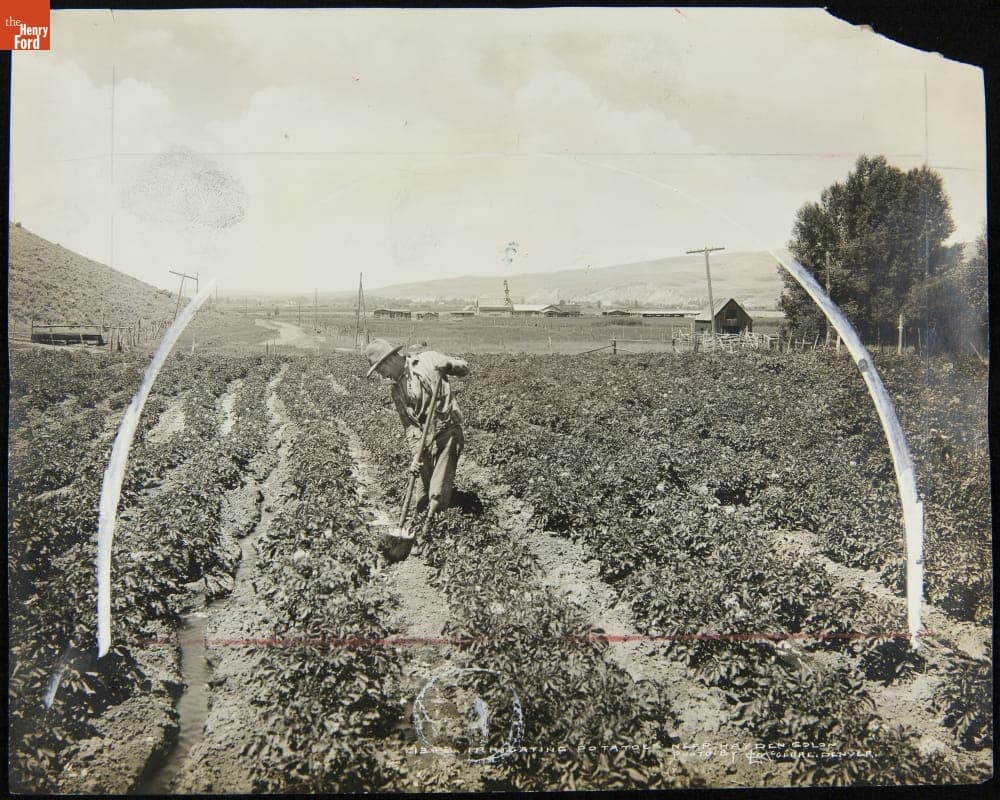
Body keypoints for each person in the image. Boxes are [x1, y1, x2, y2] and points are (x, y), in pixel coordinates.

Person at [364, 339, 470, 538]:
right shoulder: (397, 391)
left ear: (391, 360)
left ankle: (430, 536)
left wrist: (449, 366)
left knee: (436, 491)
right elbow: (410, 427)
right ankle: (413, 534)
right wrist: (415, 456)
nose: (383, 375)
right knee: (421, 495)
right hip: (424, 439)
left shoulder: (429, 360)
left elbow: (464, 367)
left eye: (381, 369)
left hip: (447, 431)